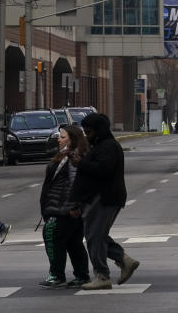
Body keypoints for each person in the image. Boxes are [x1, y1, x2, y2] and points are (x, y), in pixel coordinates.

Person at [69, 113, 139, 290]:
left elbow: (103, 170)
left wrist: (81, 163)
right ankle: (124, 260)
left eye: (89, 129)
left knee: (95, 236)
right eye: (85, 129)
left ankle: (102, 275)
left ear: (98, 129)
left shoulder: (108, 147)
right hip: (98, 197)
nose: (86, 132)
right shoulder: (98, 146)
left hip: (106, 198)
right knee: (96, 235)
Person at [38, 124, 91, 289]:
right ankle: (81, 275)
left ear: (72, 139)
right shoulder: (66, 155)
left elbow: (75, 183)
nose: (59, 139)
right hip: (63, 208)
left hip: (63, 209)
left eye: (62, 137)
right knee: (73, 243)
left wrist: (75, 205)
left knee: (51, 236)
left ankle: (56, 274)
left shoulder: (72, 157)